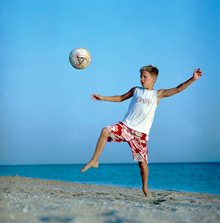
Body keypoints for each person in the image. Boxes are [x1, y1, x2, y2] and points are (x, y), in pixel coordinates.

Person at [80, 65, 203, 198]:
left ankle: (145, 188)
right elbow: (121, 98)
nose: (142, 80)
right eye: (141, 77)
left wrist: (193, 78)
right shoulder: (136, 90)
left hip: (140, 134)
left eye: (145, 77)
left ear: (153, 79)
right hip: (126, 127)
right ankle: (94, 160)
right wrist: (102, 98)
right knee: (105, 131)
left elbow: (179, 89)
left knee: (143, 165)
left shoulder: (158, 94)